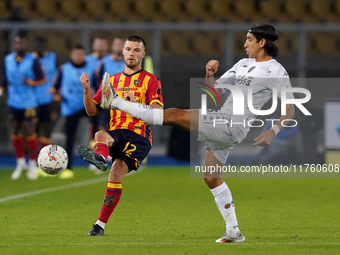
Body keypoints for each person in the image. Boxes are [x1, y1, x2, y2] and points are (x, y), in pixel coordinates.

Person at [98, 24, 295, 243]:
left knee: (173, 115)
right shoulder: (243, 64)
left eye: (249, 39)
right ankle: (233, 231)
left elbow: (290, 107)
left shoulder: (275, 70)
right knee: (211, 177)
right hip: (223, 120)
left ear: (262, 42)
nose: (245, 43)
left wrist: (273, 130)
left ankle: (116, 101)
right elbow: (214, 92)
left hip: (232, 124)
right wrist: (209, 75)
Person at [78, 35, 164, 236]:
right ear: (122, 52)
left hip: (139, 136)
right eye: (128, 49)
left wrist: (134, 103)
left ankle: (100, 223)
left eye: (136, 50)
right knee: (100, 134)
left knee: (115, 171)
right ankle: (100, 158)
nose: (131, 53)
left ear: (143, 54)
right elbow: (92, 111)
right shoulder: (112, 80)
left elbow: (157, 112)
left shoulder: (151, 80)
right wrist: (85, 91)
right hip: (117, 132)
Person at [0, 33, 46, 180]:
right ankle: (20, 163)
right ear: (14, 45)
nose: (19, 46)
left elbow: (43, 78)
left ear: (25, 45)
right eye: (17, 43)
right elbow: (5, 77)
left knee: (29, 130)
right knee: (15, 130)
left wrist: (31, 82)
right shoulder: (8, 60)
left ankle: (32, 163)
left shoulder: (33, 60)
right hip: (13, 101)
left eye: (22, 43)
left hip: (28, 102)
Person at [52, 44, 94, 179]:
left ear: (85, 55)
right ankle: (68, 168)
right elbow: (55, 87)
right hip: (70, 108)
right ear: (71, 55)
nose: (78, 57)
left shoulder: (90, 69)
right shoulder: (64, 69)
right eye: (76, 54)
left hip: (86, 106)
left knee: (100, 123)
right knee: (69, 139)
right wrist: (57, 96)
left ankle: (97, 149)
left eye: (81, 54)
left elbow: (97, 87)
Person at [32, 36, 61, 150]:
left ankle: (46, 153)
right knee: (33, 129)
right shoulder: (30, 59)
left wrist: (57, 90)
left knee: (47, 127)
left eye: (41, 45)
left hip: (49, 99)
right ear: (33, 46)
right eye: (37, 45)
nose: (39, 47)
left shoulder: (53, 57)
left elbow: (61, 72)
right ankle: (34, 154)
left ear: (46, 46)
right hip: (33, 99)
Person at [96, 37, 125, 131]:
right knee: (104, 129)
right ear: (112, 47)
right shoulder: (104, 62)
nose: (118, 46)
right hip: (108, 102)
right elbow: (97, 80)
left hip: (124, 102)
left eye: (121, 44)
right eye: (116, 44)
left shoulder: (130, 62)